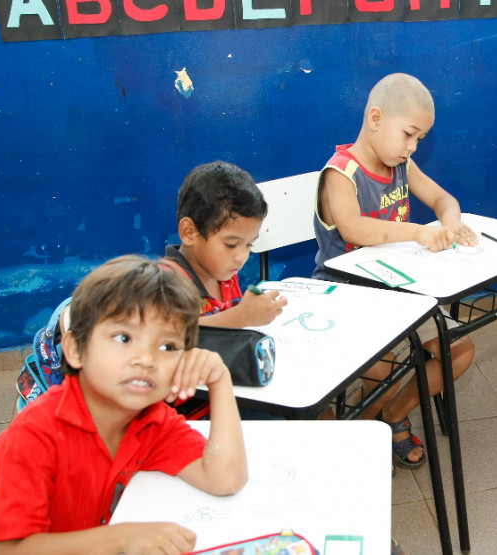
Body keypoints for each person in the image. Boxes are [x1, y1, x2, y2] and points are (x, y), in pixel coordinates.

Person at [0, 255, 247, 555]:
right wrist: (122, 538)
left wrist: (219, 380)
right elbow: (10, 551)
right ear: (76, 350)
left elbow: (226, 478)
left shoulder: (151, 421)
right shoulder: (34, 435)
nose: (146, 359)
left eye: (167, 346)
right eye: (123, 337)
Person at [312, 73, 477, 469]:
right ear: (375, 118)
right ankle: (359, 432)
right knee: (383, 362)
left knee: (459, 351)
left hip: (399, 292)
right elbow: (353, 228)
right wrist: (419, 232)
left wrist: (450, 221)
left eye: (419, 138)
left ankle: (386, 416)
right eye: (408, 134)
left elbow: (442, 198)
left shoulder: (402, 164)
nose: (412, 146)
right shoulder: (340, 174)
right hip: (347, 293)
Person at [165, 160, 287, 329]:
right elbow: (172, 336)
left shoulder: (224, 273)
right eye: (231, 245)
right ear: (189, 232)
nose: (241, 257)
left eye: (249, 245)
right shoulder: (165, 283)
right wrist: (241, 317)